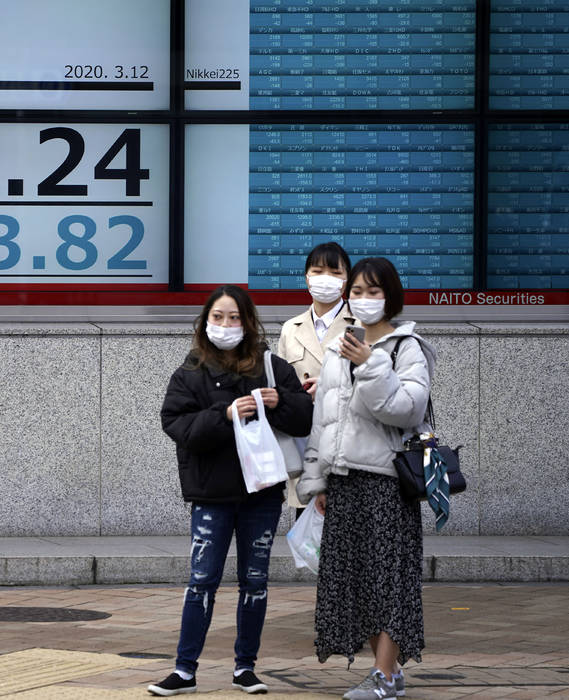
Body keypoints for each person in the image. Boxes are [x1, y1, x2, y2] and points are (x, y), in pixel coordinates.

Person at [152, 285, 313, 696]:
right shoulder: (189, 372)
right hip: (211, 494)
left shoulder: (272, 366)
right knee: (201, 579)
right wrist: (223, 414)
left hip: (261, 494)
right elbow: (178, 427)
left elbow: (305, 419)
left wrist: (280, 402)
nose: (226, 325)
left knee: (255, 581)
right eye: (219, 317)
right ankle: (184, 670)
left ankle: (245, 668)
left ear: (249, 322)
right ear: (205, 322)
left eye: (235, 317)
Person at [295, 258, 436, 700]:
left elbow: (405, 410)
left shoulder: (406, 348)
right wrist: (317, 481)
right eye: (356, 291)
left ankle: (384, 675)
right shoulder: (341, 345)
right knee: (355, 582)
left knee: (388, 581)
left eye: (373, 292)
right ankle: (387, 673)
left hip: (387, 484)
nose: (363, 300)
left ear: (390, 296)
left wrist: (371, 365)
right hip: (344, 480)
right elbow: (326, 419)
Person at [277, 242, 355, 510]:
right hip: (304, 437)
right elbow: (280, 383)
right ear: (307, 278)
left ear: (346, 281)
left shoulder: (360, 325)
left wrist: (329, 385)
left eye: (335, 272)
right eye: (318, 271)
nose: (326, 278)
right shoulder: (291, 328)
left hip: (348, 439)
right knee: (306, 534)